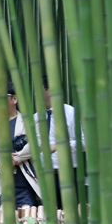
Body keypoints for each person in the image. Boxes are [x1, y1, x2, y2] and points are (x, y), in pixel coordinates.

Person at [0, 81, 41, 209]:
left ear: (14, 99)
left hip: (24, 185)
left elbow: (37, 143)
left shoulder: (29, 121)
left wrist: (17, 158)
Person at [34, 75, 85, 209]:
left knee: (70, 216)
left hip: (67, 174)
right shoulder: (36, 117)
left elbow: (84, 143)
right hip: (43, 175)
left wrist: (59, 146)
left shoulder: (69, 112)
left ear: (49, 91)